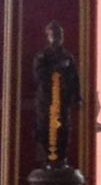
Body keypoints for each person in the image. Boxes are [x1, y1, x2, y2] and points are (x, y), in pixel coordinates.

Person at [32, 20, 82, 167]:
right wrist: (56, 67)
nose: (57, 37)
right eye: (54, 34)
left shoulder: (68, 56)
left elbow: (75, 78)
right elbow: (38, 74)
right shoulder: (43, 56)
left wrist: (77, 97)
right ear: (48, 36)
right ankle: (48, 159)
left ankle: (61, 158)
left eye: (60, 34)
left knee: (63, 129)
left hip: (63, 98)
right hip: (47, 99)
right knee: (45, 128)